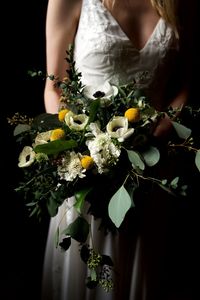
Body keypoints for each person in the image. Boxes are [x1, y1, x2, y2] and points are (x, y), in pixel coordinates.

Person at [41, 0, 197, 299]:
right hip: (88, 167)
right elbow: (55, 86)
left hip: (153, 169)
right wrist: (80, 141)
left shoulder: (180, 4)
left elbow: (184, 85)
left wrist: (162, 130)